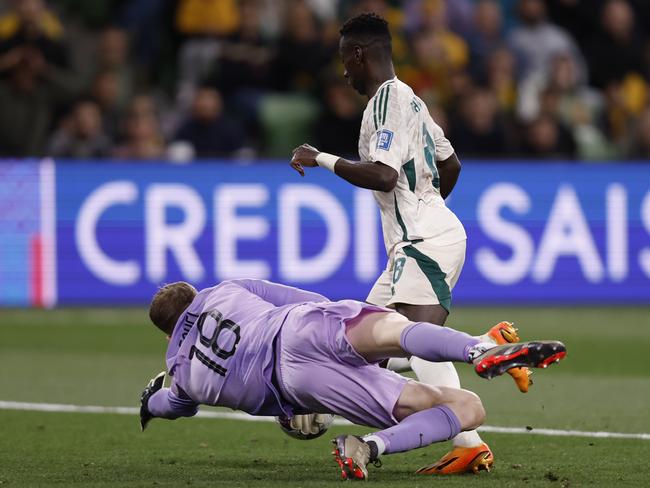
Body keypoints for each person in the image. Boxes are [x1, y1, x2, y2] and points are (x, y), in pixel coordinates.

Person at [289, 12, 531, 474]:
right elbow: (451, 163)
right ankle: (487, 344)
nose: (344, 72)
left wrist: (317, 157)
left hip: (422, 241)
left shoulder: (386, 101)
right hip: (425, 237)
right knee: (358, 347)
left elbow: (382, 174)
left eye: (345, 61)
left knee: (416, 347)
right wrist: (428, 208)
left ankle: (470, 438)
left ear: (360, 54)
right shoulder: (413, 102)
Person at [139, 279, 566, 481]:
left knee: (469, 408)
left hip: (296, 383)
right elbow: (307, 300)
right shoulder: (226, 290)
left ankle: (365, 447)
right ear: (196, 297)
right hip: (298, 326)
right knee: (393, 331)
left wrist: (149, 401)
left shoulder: (184, 377)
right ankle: (477, 349)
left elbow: (172, 406)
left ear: (168, 334)